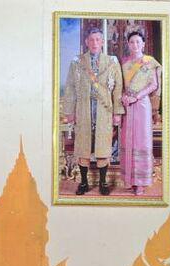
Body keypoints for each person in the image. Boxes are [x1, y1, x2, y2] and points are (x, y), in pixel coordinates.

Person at [62, 27, 123, 196]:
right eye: (91, 40)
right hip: (83, 109)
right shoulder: (77, 62)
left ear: (102, 42)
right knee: (83, 145)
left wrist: (117, 112)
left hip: (104, 109)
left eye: (98, 39)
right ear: (86, 42)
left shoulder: (111, 62)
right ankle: (83, 182)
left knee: (103, 145)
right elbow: (70, 88)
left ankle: (103, 182)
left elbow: (118, 88)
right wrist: (69, 112)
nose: (94, 43)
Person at [119, 30, 160, 196]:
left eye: (138, 42)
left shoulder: (149, 62)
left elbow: (154, 85)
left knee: (141, 142)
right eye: (132, 42)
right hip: (126, 106)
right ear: (128, 44)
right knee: (127, 141)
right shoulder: (124, 62)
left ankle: (141, 183)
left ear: (143, 44)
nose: (135, 45)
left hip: (142, 104)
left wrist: (136, 96)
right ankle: (129, 180)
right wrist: (124, 96)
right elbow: (120, 84)